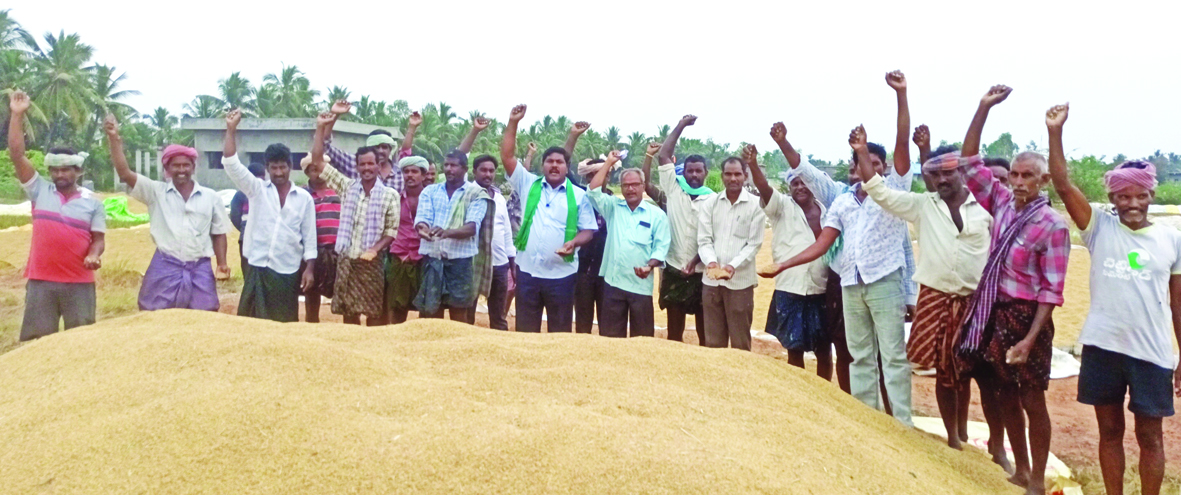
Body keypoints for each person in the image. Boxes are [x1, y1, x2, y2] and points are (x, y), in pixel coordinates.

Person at [763, 71, 916, 426]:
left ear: (885, 169)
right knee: (859, 355)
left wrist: (901, 95)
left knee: (892, 355)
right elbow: (824, 241)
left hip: (884, 281)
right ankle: (868, 420)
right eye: (860, 162)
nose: (865, 168)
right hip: (850, 283)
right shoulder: (843, 200)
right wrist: (784, 264)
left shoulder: (894, 191)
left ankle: (902, 425)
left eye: (873, 163)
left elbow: (902, 145)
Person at [1046, 104, 1181, 495]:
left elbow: (1178, 305)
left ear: (1152, 195)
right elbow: (1062, 185)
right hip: (1103, 347)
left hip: (1152, 353)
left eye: (1140, 196)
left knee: (1150, 436)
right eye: (1123, 196)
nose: (1132, 204)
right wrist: (1055, 132)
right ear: (1112, 198)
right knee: (1109, 432)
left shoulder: (1172, 239)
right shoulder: (1099, 228)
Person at [852, 118, 993, 451]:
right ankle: (954, 438)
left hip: (976, 303)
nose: (942, 179)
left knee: (979, 374)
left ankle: (990, 444)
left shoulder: (987, 209)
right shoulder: (922, 206)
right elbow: (880, 192)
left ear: (963, 173)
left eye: (949, 173)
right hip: (936, 298)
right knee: (945, 372)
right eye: (936, 174)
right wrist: (861, 151)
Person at [957, 86, 1070, 494]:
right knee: (1003, 391)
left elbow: (1051, 292)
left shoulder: (1052, 226)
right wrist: (983, 107)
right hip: (996, 310)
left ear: (1044, 181)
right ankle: (1020, 468)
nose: (1019, 182)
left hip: (1027, 318)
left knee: (1032, 398)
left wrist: (1029, 338)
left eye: (1028, 176)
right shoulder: (1003, 203)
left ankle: (1037, 478)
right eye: (1015, 175)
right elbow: (969, 162)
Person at [103, 113, 231, 312]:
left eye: (186, 165)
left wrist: (222, 264)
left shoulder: (211, 197)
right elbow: (124, 173)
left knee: (205, 315)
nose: (181, 170)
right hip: (165, 267)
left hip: (200, 269)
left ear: (193, 167)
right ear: (167, 169)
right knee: (154, 314)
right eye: (176, 165)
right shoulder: (155, 192)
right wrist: (114, 139)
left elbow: (219, 233)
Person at [7, 90, 105, 341]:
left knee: (80, 342)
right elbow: (16, 155)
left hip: (79, 282)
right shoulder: (39, 190)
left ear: (78, 171)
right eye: (55, 170)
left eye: (66, 170)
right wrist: (17, 115)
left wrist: (94, 255)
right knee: (38, 343)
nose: (60, 175)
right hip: (41, 281)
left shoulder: (93, 203)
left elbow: (98, 239)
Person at [500, 104, 598, 333]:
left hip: (561, 277)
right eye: (550, 161)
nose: (554, 165)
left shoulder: (580, 196)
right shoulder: (528, 184)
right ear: (542, 165)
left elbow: (588, 230)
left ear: (566, 167)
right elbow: (507, 155)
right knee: (526, 332)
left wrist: (574, 242)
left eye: (559, 162)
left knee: (559, 334)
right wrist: (513, 122)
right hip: (528, 273)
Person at [745, 143, 831, 378]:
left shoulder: (828, 211)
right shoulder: (781, 207)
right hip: (790, 289)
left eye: (805, 182)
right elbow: (764, 188)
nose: (800, 187)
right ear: (789, 187)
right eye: (795, 183)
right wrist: (753, 164)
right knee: (794, 350)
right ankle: (800, 393)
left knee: (824, 350)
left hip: (822, 289)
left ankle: (824, 394)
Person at [222, 109, 317, 322]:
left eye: (283, 167)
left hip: (287, 270)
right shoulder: (256, 189)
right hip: (256, 266)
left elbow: (310, 238)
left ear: (290, 167)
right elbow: (231, 163)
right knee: (250, 324)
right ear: (267, 168)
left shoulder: (304, 198)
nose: (279, 172)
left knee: (283, 325)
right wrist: (230, 129)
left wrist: (309, 269)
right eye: (274, 168)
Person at [309, 112, 400, 325]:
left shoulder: (390, 195)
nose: (367, 168)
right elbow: (317, 161)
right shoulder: (347, 186)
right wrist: (320, 127)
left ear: (378, 166)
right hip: (347, 260)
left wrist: (374, 249)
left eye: (370, 164)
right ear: (357, 167)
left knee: (374, 313)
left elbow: (391, 232)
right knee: (349, 312)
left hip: (372, 263)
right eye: (362, 164)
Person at [643, 115, 713, 344]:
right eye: (690, 171)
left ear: (706, 173)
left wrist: (695, 261)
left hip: (702, 273)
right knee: (674, 332)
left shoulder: (713, 200)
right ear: (683, 173)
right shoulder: (673, 190)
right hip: (673, 268)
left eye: (698, 171)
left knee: (705, 333)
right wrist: (681, 125)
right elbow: (664, 155)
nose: (694, 175)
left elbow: (714, 238)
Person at [585, 152, 670, 338]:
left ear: (643, 186)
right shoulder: (613, 208)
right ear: (621, 188)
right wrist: (608, 163)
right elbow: (592, 191)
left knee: (642, 339)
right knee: (611, 338)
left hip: (640, 286)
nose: (631, 189)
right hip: (613, 283)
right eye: (626, 185)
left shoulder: (657, 215)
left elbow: (661, 247)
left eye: (635, 184)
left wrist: (650, 266)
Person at [698, 155, 765, 351]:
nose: (733, 178)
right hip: (711, 283)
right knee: (713, 342)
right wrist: (711, 263)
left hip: (740, 283)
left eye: (737, 174)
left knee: (740, 342)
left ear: (745, 176)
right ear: (722, 176)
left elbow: (754, 244)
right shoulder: (710, 203)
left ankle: (741, 372)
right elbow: (704, 240)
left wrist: (731, 266)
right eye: (728, 174)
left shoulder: (756, 205)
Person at [412, 150, 487, 322]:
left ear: (465, 169)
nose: (448, 169)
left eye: (453, 165)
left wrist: (446, 233)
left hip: (460, 262)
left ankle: (457, 340)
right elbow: (422, 219)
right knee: (431, 311)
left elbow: (472, 228)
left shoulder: (476, 193)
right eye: (446, 165)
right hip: (433, 259)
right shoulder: (430, 191)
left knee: (459, 312)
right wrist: (423, 230)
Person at [468, 155, 515, 330]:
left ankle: (499, 344)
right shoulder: (467, 194)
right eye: (483, 170)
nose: (487, 174)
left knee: (499, 315)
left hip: (500, 264)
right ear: (474, 172)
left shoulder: (500, 198)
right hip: (474, 262)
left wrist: (512, 263)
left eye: (491, 170)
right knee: (467, 312)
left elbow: (507, 232)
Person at [323, 100, 411, 193]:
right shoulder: (354, 163)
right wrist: (335, 115)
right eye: (376, 147)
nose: (380, 151)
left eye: (384, 147)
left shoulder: (400, 172)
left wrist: (412, 127)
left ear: (390, 149)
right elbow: (324, 146)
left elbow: (405, 151)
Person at [386, 155, 431, 324]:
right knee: (396, 306)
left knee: (427, 307)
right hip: (400, 257)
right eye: (406, 171)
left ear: (424, 175)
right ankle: (396, 338)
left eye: (414, 171)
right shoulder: (395, 198)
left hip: (424, 257)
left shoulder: (432, 198)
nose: (410, 175)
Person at [299, 153, 340, 323]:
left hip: (338, 251)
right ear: (307, 172)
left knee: (343, 292)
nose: (319, 173)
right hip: (313, 252)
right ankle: (311, 324)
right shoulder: (302, 194)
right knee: (311, 292)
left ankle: (348, 329)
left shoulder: (340, 191)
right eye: (313, 170)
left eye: (322, 168)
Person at [574, 157, 613, 334]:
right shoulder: (580, 197)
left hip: (608, 270)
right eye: (594, 174)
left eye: (604, 173)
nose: (601, 177)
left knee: (608, 322)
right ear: (587, 177)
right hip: (583, 268)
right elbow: (566, 161)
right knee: (583, 321)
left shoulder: (615, 201)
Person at [229, 161, 264, 279]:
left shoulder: (268, 193)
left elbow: (234, 216)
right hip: (247, 238)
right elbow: (235, 216)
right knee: (249, 270)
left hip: (257, 237)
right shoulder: (240, 195)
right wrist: (245, 229)